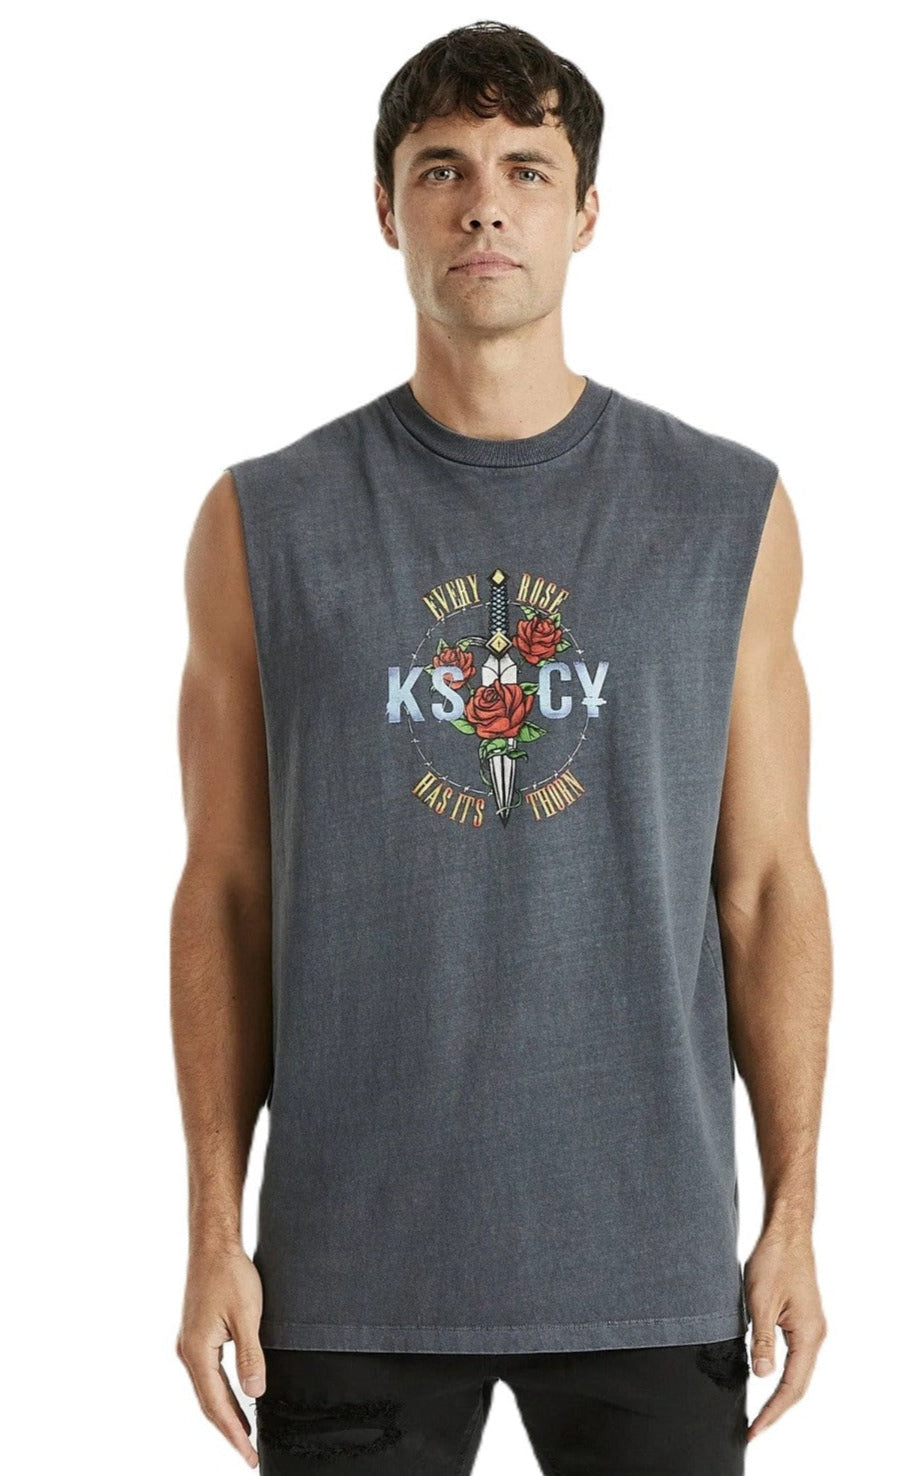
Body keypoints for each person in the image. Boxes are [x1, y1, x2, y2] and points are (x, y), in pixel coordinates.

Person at [172, 19, 831, 1475]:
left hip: (650, 1253)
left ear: (585, 212)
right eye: (444, 169)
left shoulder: (726, 512)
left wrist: (793, 1211)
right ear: (387, 209)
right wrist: (214, 1228)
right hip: (348, 1264)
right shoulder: (262, 524)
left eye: (527, 169)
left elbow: (768, 883)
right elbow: (224, 891)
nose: (485, 205)